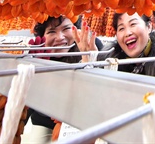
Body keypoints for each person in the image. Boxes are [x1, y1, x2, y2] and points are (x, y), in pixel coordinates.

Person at [23, 15, 102, 143]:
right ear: (42, 36)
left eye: (66, 29)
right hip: (45, 118)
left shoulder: (90, 46)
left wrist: (90, 59)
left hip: (77, 120)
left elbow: (98, 91)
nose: (60, 37)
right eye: (51, 31)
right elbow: (29, 97)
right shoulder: (38, 54)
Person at [94, 12, 155, 77]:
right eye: (121, 28)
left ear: (149, 27)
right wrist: (89, 61)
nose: (127, 33)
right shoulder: (107, 63)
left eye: (133, 24)